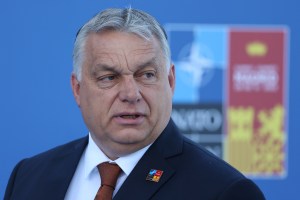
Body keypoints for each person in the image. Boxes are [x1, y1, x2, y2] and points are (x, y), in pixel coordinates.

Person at [4, 8, 265, 200]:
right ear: (78, 89)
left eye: (147, 75)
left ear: (171, 81)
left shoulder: (225, 192)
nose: (131, 93)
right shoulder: (28, 177)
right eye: (109, 77)